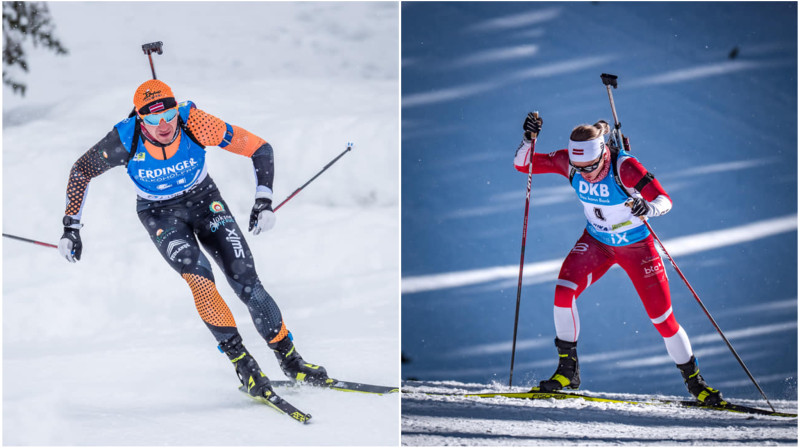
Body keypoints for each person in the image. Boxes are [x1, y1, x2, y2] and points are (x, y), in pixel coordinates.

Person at [58, 79, 329, 399]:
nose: (163, 125)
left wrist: (263, 199)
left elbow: (259, 147)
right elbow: (81, 171)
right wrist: (70, 227)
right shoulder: (124, 138)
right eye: (152, 120)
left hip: (204, 202)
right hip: (160, 214)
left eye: (168, 115)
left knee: (245, 277)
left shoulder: (195, 123)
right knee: (198, 275)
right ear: (139, 119)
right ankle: (245, 367)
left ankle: (290, 360)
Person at [513, 112, 724, 405]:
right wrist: (528, 140)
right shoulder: (571, 163)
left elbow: (665, 200)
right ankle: (567, 371)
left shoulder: (624, 167)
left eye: (590, 166)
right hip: (597, 242)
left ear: (602, 154)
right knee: (563, 293)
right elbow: (523, 165)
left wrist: (646, 208)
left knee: (663, 319)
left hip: (637, 248)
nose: (584, 173)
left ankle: (696, 384)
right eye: (579, 167)